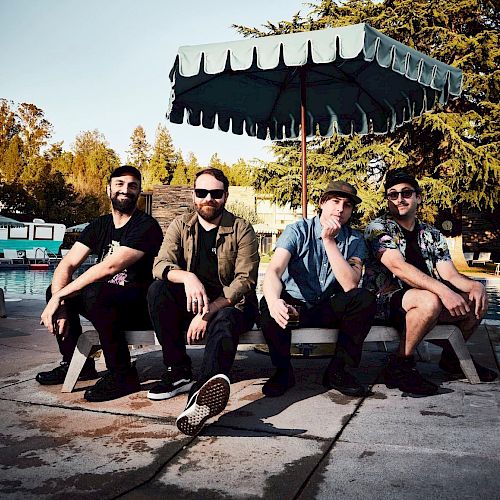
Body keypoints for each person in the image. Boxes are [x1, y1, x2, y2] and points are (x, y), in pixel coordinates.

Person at [363, 169, 496, 396]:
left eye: (406, 193)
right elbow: (398, 267)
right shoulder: (378, 228)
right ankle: (400, 364)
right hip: (384, 302)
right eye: (392, 195)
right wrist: (444, 292)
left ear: (418, 198)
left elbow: (450, 274)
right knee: (430, 300)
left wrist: (475, 286)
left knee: (476, 299)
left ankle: (452, 359)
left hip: (425, 300)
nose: (399, 199)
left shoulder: (431, 234)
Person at [148, 168, 259, 436]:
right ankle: (178, 371)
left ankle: (199, 397)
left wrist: (208, 311)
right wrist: (187, 277)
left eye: (216, 193)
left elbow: (245, 281)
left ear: (226, 196)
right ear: (193, 195)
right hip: (193, 304)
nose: (209, 198)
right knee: (158, 290)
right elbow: (160, 264)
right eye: (202, 192)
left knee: (225, 320)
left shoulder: (241, 228)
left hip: (233, 306)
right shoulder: (180, 224)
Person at [38, 165, 163, 402]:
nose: (125, 190)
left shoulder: (146, 226)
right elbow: (67, 265)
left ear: (139, 192)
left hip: (138, 308)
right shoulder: (100, 225)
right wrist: (59, 300)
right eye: (120, 184)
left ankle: (122, 374)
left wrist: (60, 297)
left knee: (93, 291)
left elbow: (108, 268)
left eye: (132, 186)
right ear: (108, 189)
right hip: (105, 303)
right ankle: (78, 364)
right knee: (54, 289)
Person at [260, 180, 377, 398]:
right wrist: (275, 301)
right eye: (335, 201)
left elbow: (350, 284)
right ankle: (283, 372)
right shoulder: (297, 231)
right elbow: (274, 271)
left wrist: (329, 241)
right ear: (322, 203)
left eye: (347, 205)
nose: (340, 209)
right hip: (294, 306)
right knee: (268, 303)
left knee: (364, 299)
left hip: (326, 306)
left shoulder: (354, 239)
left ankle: (338, 371)